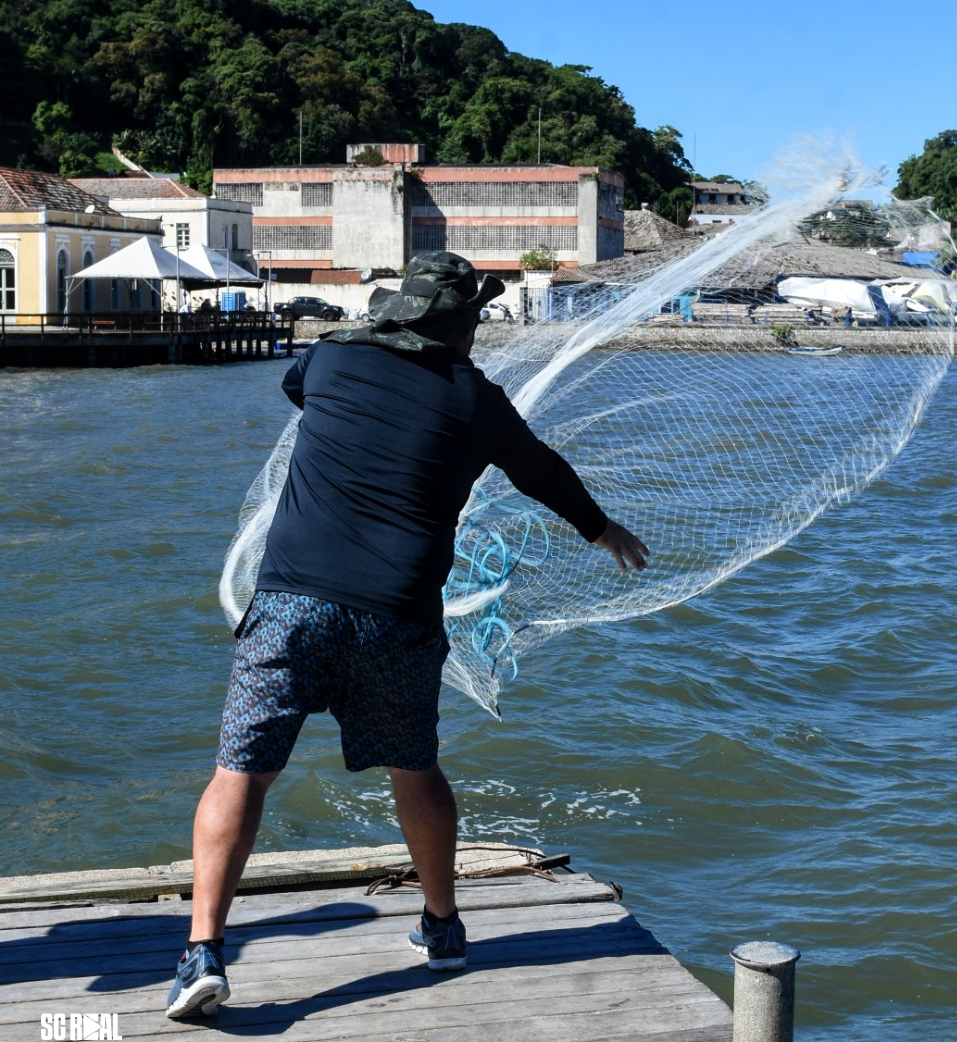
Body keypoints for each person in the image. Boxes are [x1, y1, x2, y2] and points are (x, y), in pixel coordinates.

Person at [166, 252, 648, 1019]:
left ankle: (202, 952)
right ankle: (443, 925)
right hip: (396, 613)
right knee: (414, 767)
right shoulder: (476, 398)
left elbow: (299, 386)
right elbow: (542, 472)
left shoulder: (330, 359)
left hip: (291, 603)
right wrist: (602, 528)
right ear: (463, 327)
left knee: (241, 772)